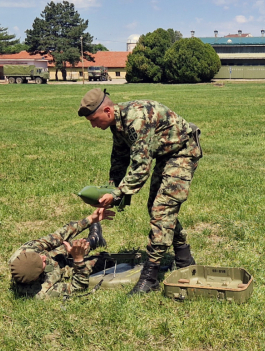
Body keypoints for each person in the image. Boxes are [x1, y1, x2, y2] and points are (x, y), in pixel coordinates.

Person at [78, 88, 202, 294]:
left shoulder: (136, 119)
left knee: (162, 209)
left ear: (107, 111)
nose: (92, 125)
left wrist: (117, 194)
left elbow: (141, 167)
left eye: (93, 119)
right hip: (165, 154)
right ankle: (184, 259)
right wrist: (111, 189)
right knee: (157, 208)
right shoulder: (117, 124)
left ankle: (150, 276)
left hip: (183, 152)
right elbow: (119, 158)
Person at [9, 207, 113, 299]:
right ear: (37, 277)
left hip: (54, 257)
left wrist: (90, 219)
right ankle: (105, 258)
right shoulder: (43, 291)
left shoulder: (26, 251)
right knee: (103, 261)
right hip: (61, 271)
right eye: (42, 262)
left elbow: (57, 237)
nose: (43, 257)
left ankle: (94, 240)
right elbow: (77, 287)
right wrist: (78, 260)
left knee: (72, 246)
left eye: (39, 256)